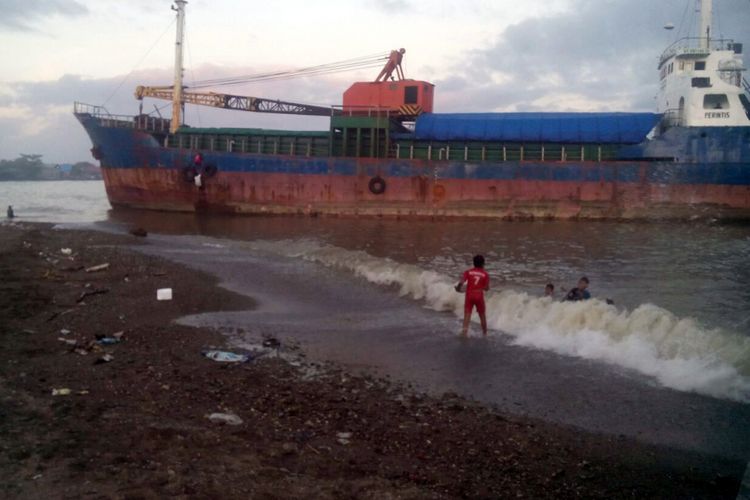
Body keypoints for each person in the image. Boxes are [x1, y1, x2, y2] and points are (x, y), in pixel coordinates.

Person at [455, 255, 490, 337]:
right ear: (483, 264)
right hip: (479, 295)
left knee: (467, 315)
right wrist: (484, 287)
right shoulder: (485, 274)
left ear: (473, 263)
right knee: (482, 315)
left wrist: (458, 288)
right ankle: (485, 333)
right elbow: (486, 288)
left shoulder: (468, 272)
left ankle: (464, 333)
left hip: (469, 295)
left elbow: (462, 281)